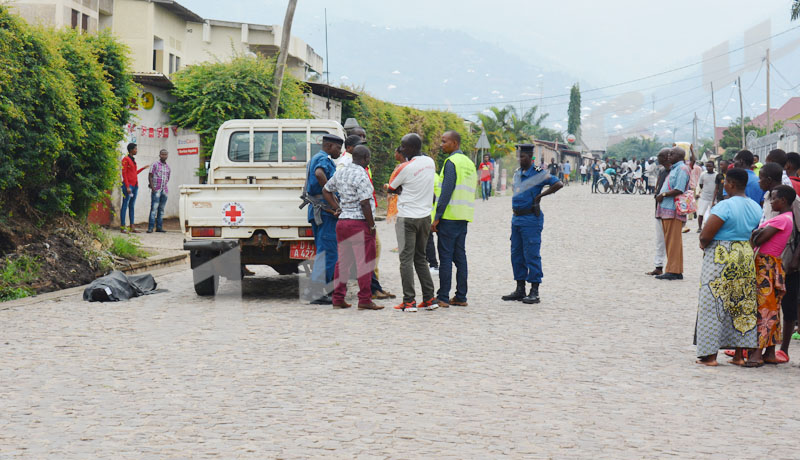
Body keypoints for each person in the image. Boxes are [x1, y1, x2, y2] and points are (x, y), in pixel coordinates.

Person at [695, 168, 762, 366]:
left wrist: (703, 243)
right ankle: (740, 355)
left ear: (731, 184)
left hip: (721, 254)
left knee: (713, 303)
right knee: (742, 303)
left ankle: (710, 356)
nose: (723, 185)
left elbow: (706, 234)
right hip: (744, 253)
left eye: (725, 182)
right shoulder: (755, 207)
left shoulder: (724, 206)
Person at [321, 145, 383, 310]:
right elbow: (364, 203)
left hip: (343, 223)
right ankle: (364, 300)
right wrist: (371, 225)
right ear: (365, 159)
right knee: (364, 263)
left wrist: (337, 207)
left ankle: (338, 298)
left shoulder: (341, 171)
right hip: (359, 223)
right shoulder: (362, 175)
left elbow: (326, 190)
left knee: (342, 262)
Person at [501, 144, 563, 304]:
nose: (519, 159)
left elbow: (558, 184)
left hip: (530, 219)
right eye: (518, 156)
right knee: (516, 254)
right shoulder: (517, 173)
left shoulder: (539, 174)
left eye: (522, 156)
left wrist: (539, 197)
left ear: (530, 157)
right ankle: (520, 288)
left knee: (531, 254)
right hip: (516, 218)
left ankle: (534, 290)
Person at [745, 184, 797, 366]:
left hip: (765, 266)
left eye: (773, 198)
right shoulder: (786, 218)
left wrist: (754, 234)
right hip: (772, 264)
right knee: (772, 307)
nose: (771, 201)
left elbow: (758, 239)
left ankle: (757, 354)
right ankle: (770, 352)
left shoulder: (781, 220)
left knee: (764, 309)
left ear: (783, 201)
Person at [386, 133, 438, 312]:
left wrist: (395, 188)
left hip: (406, 218)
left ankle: (409, 301)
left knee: (405, 260)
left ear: (411, 148)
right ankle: (430, 299)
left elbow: (391, 187)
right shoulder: (430, 163)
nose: (401, 149)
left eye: (403, 146)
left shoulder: (404, 167)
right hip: (425, 217)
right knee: (421, 258)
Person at [432, 130, 477, 307]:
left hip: (449, 217)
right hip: (463, 216)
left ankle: (443, 297)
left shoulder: (451, 162)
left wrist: (436, 218)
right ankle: (461, 296)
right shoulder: (469, 163)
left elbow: (445, 193)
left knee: (445, 258)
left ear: (455, 144)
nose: (441, 144)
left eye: (444, 142)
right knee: (460, 257)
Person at [305, 134, 343, 305]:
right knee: (328, 252)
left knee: (323, 251)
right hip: (325, 211)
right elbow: (320, 174)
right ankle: (317, 292)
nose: (340, 151)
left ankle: (321, 289)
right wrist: (333, 202)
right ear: (328, 146)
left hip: (319, 210)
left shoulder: (317, 157)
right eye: (338, 148)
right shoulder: (322, 159)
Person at [654, 147, 690, 280]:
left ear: (680, 156)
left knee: (673, 241)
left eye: (672, 154)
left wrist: (663, 194)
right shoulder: (675, 168)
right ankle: (674, 269)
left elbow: (679, 188)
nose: (669, 156)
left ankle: (673, 270)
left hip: (673, 210)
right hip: (666, 210)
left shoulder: (682, 169)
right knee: (670, 241)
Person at [646, 149, 671, 276]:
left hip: (670, 210)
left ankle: (672, 267)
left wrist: (663, 194)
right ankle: (658, 265)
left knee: (670, 241)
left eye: (660, 156)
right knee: (660, 240)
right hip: (659, 209)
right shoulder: (662, 171)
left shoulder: (674, 172)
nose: (658, 158)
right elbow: (658, 186)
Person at [120, 143, 149, 233]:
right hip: (128, 186)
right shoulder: (125, 159)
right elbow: (124, 174)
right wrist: (127, 186)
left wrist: (142, 169)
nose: (136, 150)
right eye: (135, 149)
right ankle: (122, 227)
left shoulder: (132, 160)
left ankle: (132, 226)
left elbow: (133, 173)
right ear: (131, 150)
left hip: (135, 185)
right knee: (125, 205)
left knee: (131, 205)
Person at [146, 149, 171, 233]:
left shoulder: (168, 167)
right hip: (156, 189)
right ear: (159, 155)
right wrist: (153, 188)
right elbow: (150, 176)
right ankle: (150, 228)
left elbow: (168, 178)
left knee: (161, 209)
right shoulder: (155, 164)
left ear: (167, 156)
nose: (164, 156)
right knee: (154, 208)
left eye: (165, 154)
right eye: (162, 154)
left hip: (164, 190)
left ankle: (159, 227)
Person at [695, 161, 716, 233]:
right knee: (701, 213)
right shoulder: (703, 175)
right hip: (704, 196)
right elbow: (701, 185)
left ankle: (712, 228)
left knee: (713, 214)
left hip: (713, 197)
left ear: (714, 167)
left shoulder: (717, 175)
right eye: (707, 166)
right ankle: (700, 227)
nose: (708, 168)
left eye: (710, 166)